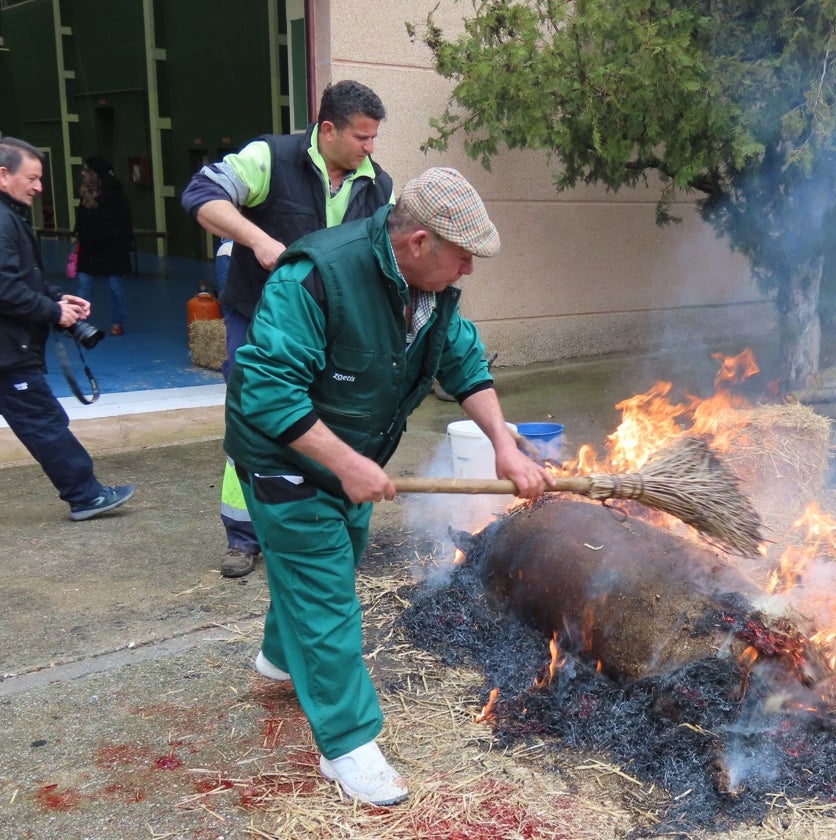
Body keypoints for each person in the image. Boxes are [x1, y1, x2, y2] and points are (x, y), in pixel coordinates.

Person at [224, 166, 551, 805]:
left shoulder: (430, 292)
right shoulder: (317, 276)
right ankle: (347, 747)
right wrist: (344, 463)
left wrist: (504, 445)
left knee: (329, 564)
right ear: (419, 242)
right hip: (283, 456)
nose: (470, 272)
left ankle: (278, 660)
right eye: (463, 257)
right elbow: (265, 388)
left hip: (356, 454)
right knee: (325, 596)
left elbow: (464, 362)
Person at [181, 79, 394, 579]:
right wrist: (257, 240)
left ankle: (310, 523)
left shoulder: (377, 184)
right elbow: (202, 195)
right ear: (328, 129)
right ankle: (242, 535)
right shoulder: (270, 159)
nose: (370, 148)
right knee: (256, 418)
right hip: (257, 314)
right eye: (362, 137)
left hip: (326, 328)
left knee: (316, 422)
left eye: (374, 138)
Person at [0, 138, 134, 521]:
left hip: (11, 347)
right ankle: (85, 495)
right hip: (9, 352)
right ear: (3, 175)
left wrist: (60, 299)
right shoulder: (2, 220)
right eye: (33, 178)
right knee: (44, 423)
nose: (39, 187)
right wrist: (52, 312)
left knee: (42, 420)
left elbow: (21, 276)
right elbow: (5, 286)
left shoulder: (9, 216)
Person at [73, 156, 133, 336]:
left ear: (95, 174)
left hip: (111, 248)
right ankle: (80, 323)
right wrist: (79, 233)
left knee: (115, 286)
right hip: (89, 248)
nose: (83, 174)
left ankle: (117, 322)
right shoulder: (85, 194)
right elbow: (82, 218)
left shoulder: (114, 195)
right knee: (84, 285)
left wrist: (116, 238)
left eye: (86, 170)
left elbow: (124, 221)